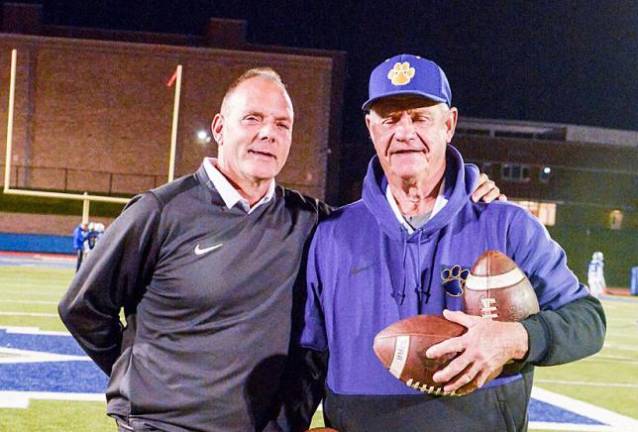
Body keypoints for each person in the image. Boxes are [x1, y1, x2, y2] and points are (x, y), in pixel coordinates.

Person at [59, 67, 501, 432]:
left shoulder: (312, 221)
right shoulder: (160, 211)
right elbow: (83, 308)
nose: (267, 134)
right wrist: (145, 379)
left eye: (282, 124)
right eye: (252, 119)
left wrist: (466, 189)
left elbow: (389, 219)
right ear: (219, 128)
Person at [300, 54, 606, 432]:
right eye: (390, 119)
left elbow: (589, 320)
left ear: (449, 124)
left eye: (420, 117)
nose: (404, 132)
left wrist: (516, 338)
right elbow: (309, 356)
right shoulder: (333, 234)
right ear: (370, 128)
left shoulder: (506, 225)